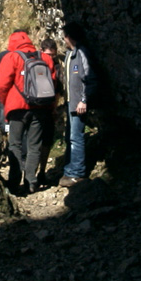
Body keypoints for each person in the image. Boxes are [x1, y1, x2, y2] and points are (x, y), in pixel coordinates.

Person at [0, 30, 57, 195]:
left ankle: (14, 182)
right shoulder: (45, 58)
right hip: (41, 108)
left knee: (15, 144)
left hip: (17, 109)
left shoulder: (11, 57)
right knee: (34, 145)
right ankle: (31, 181)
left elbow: (2, 85)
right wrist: (50, 107)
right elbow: (53, 82)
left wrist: (5, 102)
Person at [58, 22, 99, 188]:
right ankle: (70, 169)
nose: (63, 39)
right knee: (70, 137)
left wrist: (84, 100)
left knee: (76, 137)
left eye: (64, 36)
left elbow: (90, 78)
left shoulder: (81, 53)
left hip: (79, 104)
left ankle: (77, 173)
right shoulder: (70, 55)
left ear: (68, 36)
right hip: (71, 103)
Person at [38, 37, 62, 185]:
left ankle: (40, 172)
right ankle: (33, 174)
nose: (51, 58)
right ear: (41, 52)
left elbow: (58, 90)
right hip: (38, 109)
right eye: (49, 55)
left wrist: (54, 109)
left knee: (46, 142)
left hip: (47, 109)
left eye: (53, 55)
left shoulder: (57, 66)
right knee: (37, 142)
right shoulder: (36, 64)